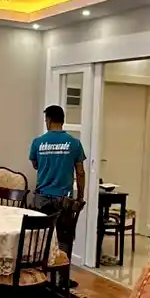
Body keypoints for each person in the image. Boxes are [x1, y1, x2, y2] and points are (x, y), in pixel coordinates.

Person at [29, 105, 86, 256]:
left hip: (42, 198)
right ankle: (62, 268)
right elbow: (80, 173)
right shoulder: (75, 143)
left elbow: (35, 165)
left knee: (40, 239)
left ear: (48, 120)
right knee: (63, 240)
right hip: (64, 200)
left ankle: (41, 267)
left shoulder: (37, 142)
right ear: (63, 120)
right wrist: (80, 197)